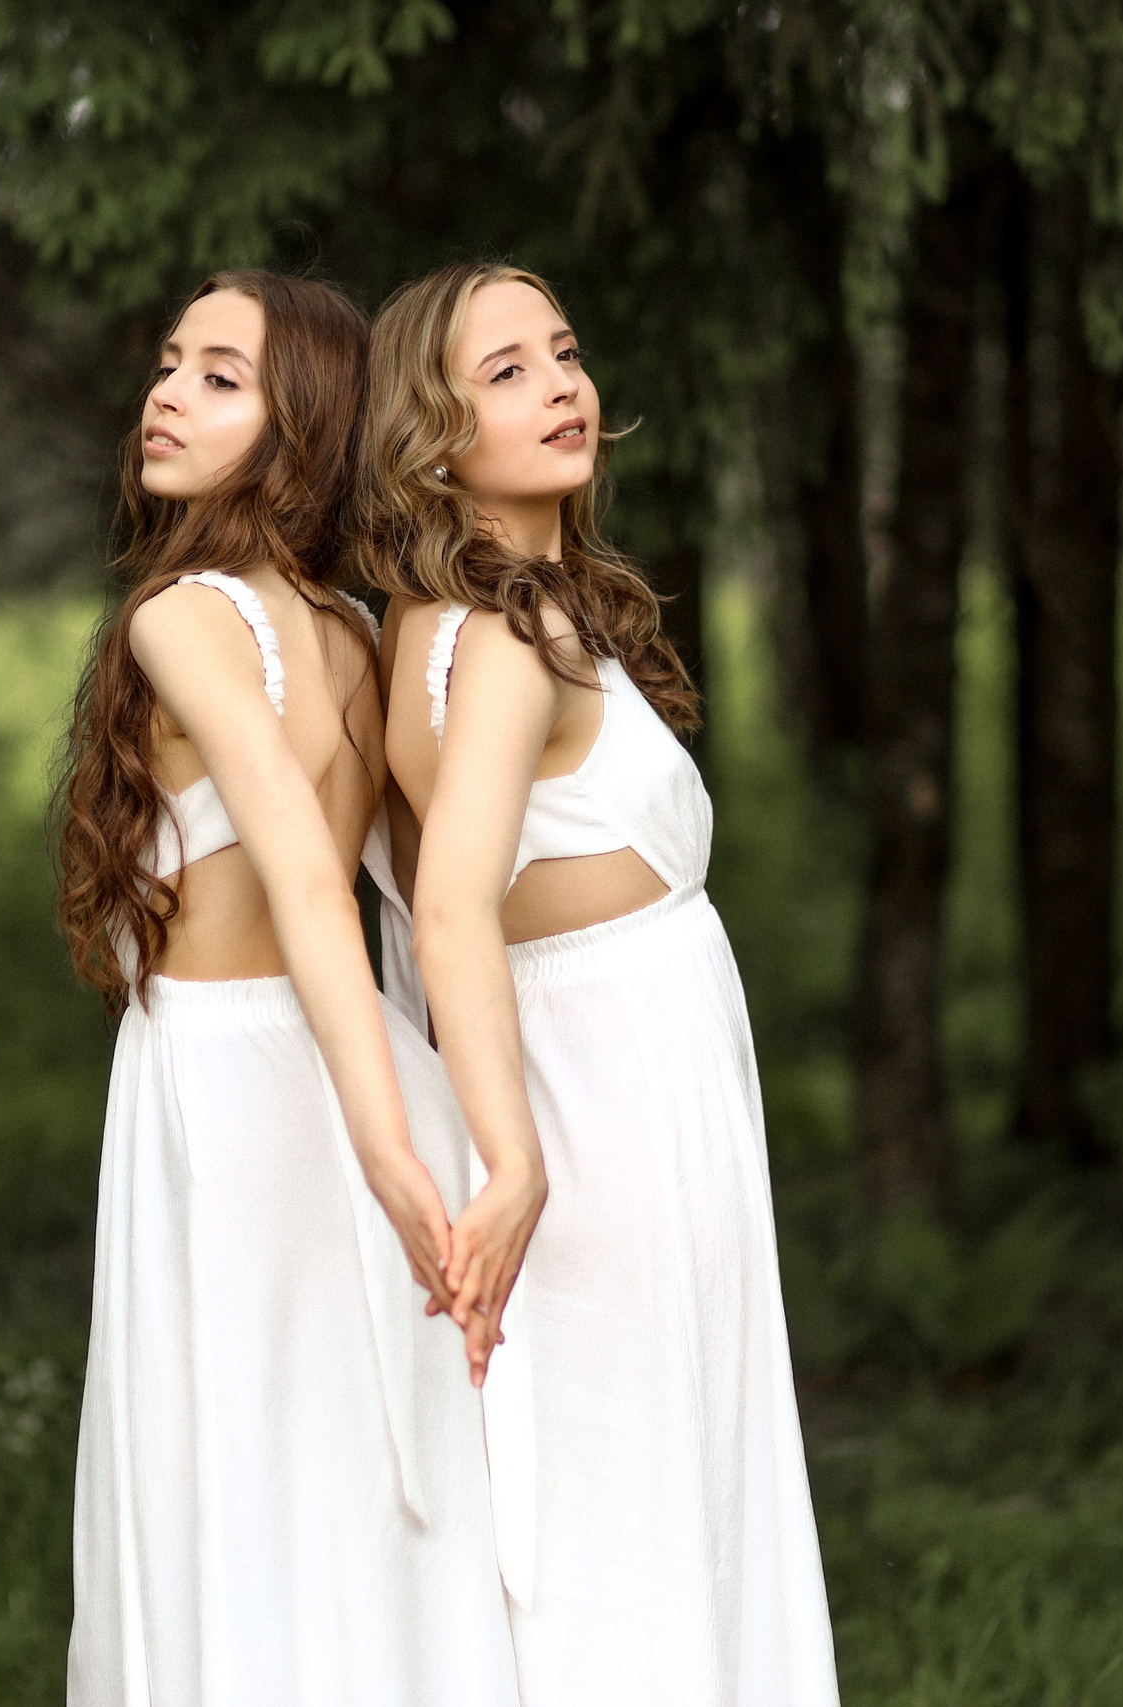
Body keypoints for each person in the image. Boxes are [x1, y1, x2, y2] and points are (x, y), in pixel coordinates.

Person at [355, 260, 840, 1707]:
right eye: (506, 370)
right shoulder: (507, 635)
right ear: (434, 436)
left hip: (610, 1058)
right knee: (638, 1472)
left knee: (612, 1464)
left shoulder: (430, 626)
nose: (562, 384)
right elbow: (448, 904)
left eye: (564, 352)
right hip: (603, 1085)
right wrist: (514, 1161)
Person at [56, 269, 518, 1707]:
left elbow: (326, 885)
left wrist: (390, 1147)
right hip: (354, 1052)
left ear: (297, 428)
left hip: (232, 1083)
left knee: (226, 1467)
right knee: (348, 1476)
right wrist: (419, 1105)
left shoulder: (180, 620)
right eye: (169, 363)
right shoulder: (353, 631)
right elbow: (415, 887)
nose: (167, 393)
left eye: (218, 377)